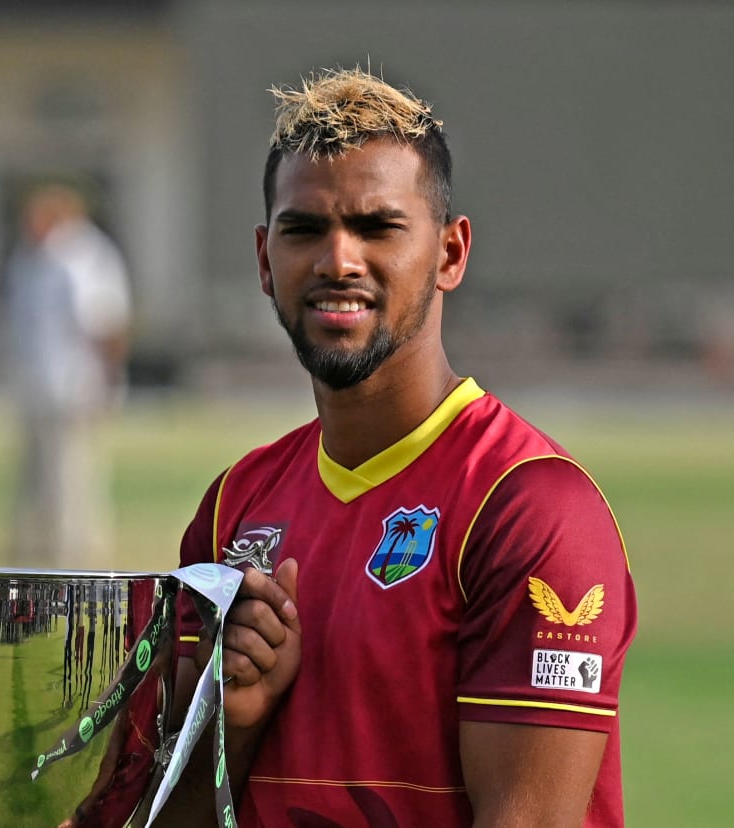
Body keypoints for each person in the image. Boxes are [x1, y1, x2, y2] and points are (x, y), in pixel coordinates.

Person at [171, 68, 637, 826]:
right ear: (264, 259)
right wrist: (238, 721)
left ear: (451, 254)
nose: (338, 261)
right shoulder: (234, 506)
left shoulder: (530, 507)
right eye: (304, 230)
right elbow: (174, 816)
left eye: (378, 227)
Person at [3, 184, 132, 569]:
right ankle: (31, 548)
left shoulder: (82, 255)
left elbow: (103, 323)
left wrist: (109, 377)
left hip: (74, 382)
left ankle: (73, 553)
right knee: (34, 474)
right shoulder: (30, 258)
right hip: (37, 382)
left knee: (72, 476)